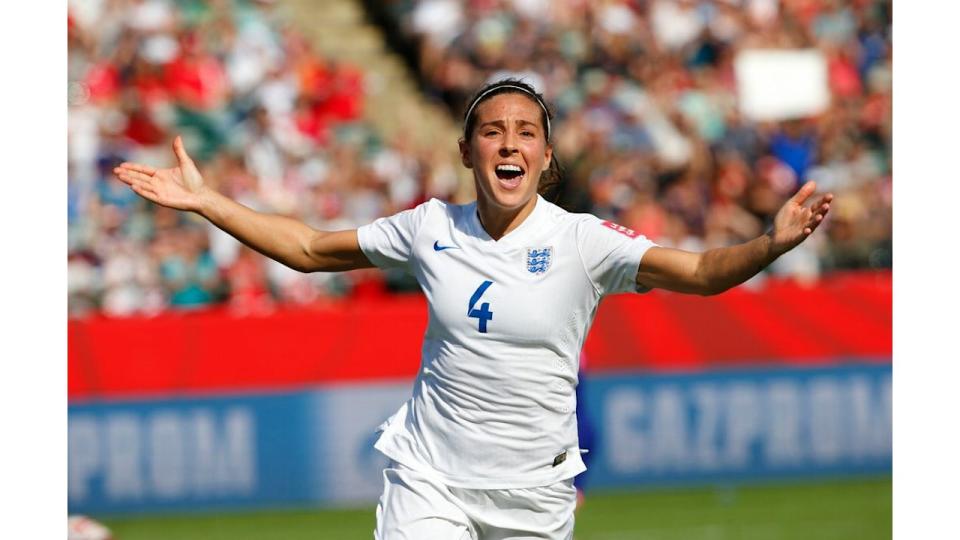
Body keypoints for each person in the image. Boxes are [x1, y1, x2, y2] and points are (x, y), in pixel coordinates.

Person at [114, 78, 832, 539]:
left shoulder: (584, 241)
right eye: (493, 130)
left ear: (547, 157)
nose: (509, 142)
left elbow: (703, 272)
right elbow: (307, 248)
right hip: (431, 478)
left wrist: (770, 243)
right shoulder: (429, 226)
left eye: (526, 131)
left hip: (532, 496)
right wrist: (207, 201)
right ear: (467, 150)